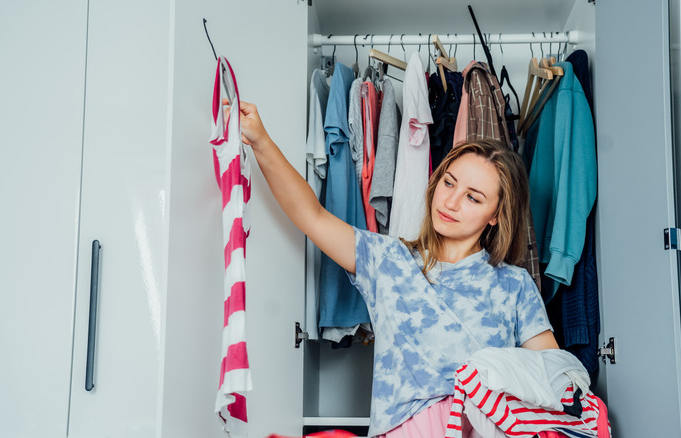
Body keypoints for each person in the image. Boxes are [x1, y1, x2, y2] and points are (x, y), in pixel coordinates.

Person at [234, 100, 559, 438]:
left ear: (496, 215)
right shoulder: (387, 260)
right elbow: (311, 215)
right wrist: (261, 141)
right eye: (449, 183)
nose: (450, 202)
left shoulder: (514, 284)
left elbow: (554, 380)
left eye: (473, 197)